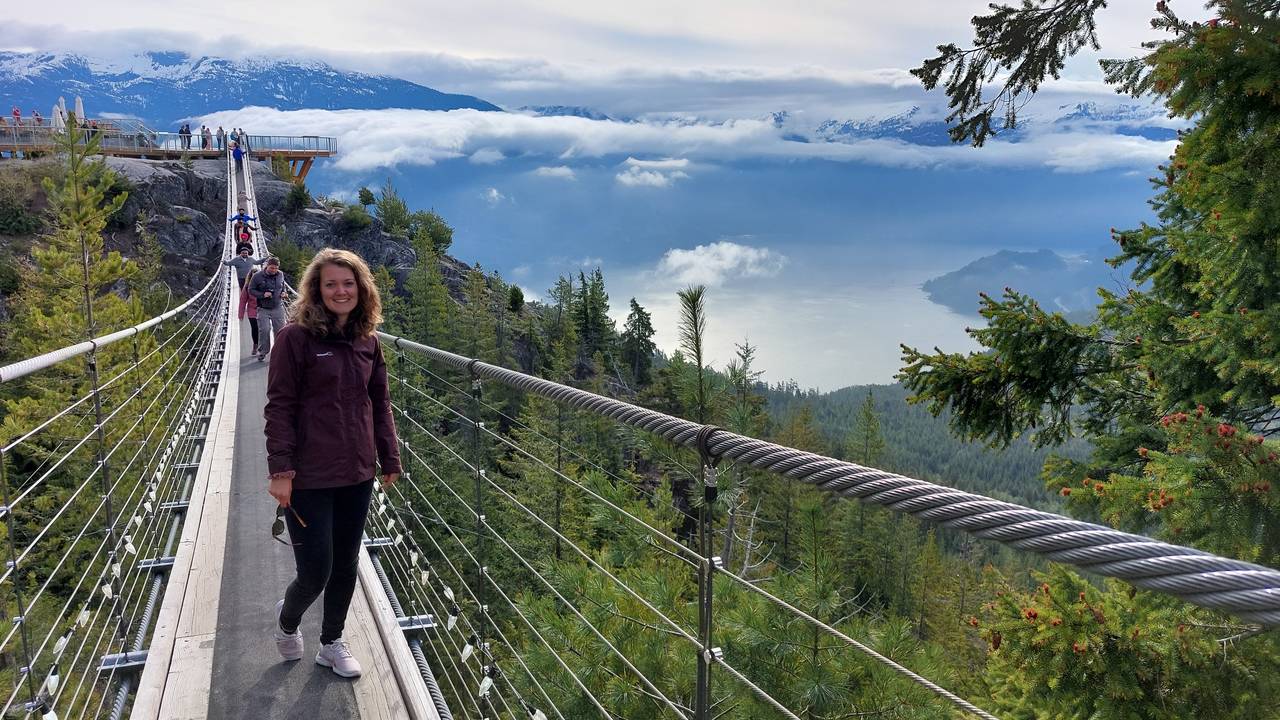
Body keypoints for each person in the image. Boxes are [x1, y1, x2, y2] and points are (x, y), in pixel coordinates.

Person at [264, 248, 399, 678]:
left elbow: (380, 403)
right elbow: (279, 407)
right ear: (316, 291)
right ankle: (288, 620)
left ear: (361, 288)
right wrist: (281, 472)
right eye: (331, 284)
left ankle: (331, 643)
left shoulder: (368, 342)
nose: (341, 291)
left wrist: (389, 456)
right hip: (308, 476)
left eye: (349, 283)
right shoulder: (294, 339)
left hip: (357, 473)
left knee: (345, 564)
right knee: (315, 572)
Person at [248, 257, 287, 361]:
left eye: (276, 268)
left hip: (277, 307)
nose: (274, 270)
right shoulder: (257, 276)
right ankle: (263, 352)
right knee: (264, 330)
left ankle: (279, 352)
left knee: (280, 331)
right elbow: (251, 290)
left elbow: (282, 286)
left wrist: (284, 292)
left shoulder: (280, 274)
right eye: (272, 268)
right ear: (266, 266)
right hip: (263, 308)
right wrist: (262, 294)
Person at [239, 268, 261, 356]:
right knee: (255, 328)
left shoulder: (263, 284)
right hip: (252, 310)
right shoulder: (247, 287)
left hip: (263, 309)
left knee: (264, 329)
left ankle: (262, 345)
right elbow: (243, 300)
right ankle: (255, 345)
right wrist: (240, 314)